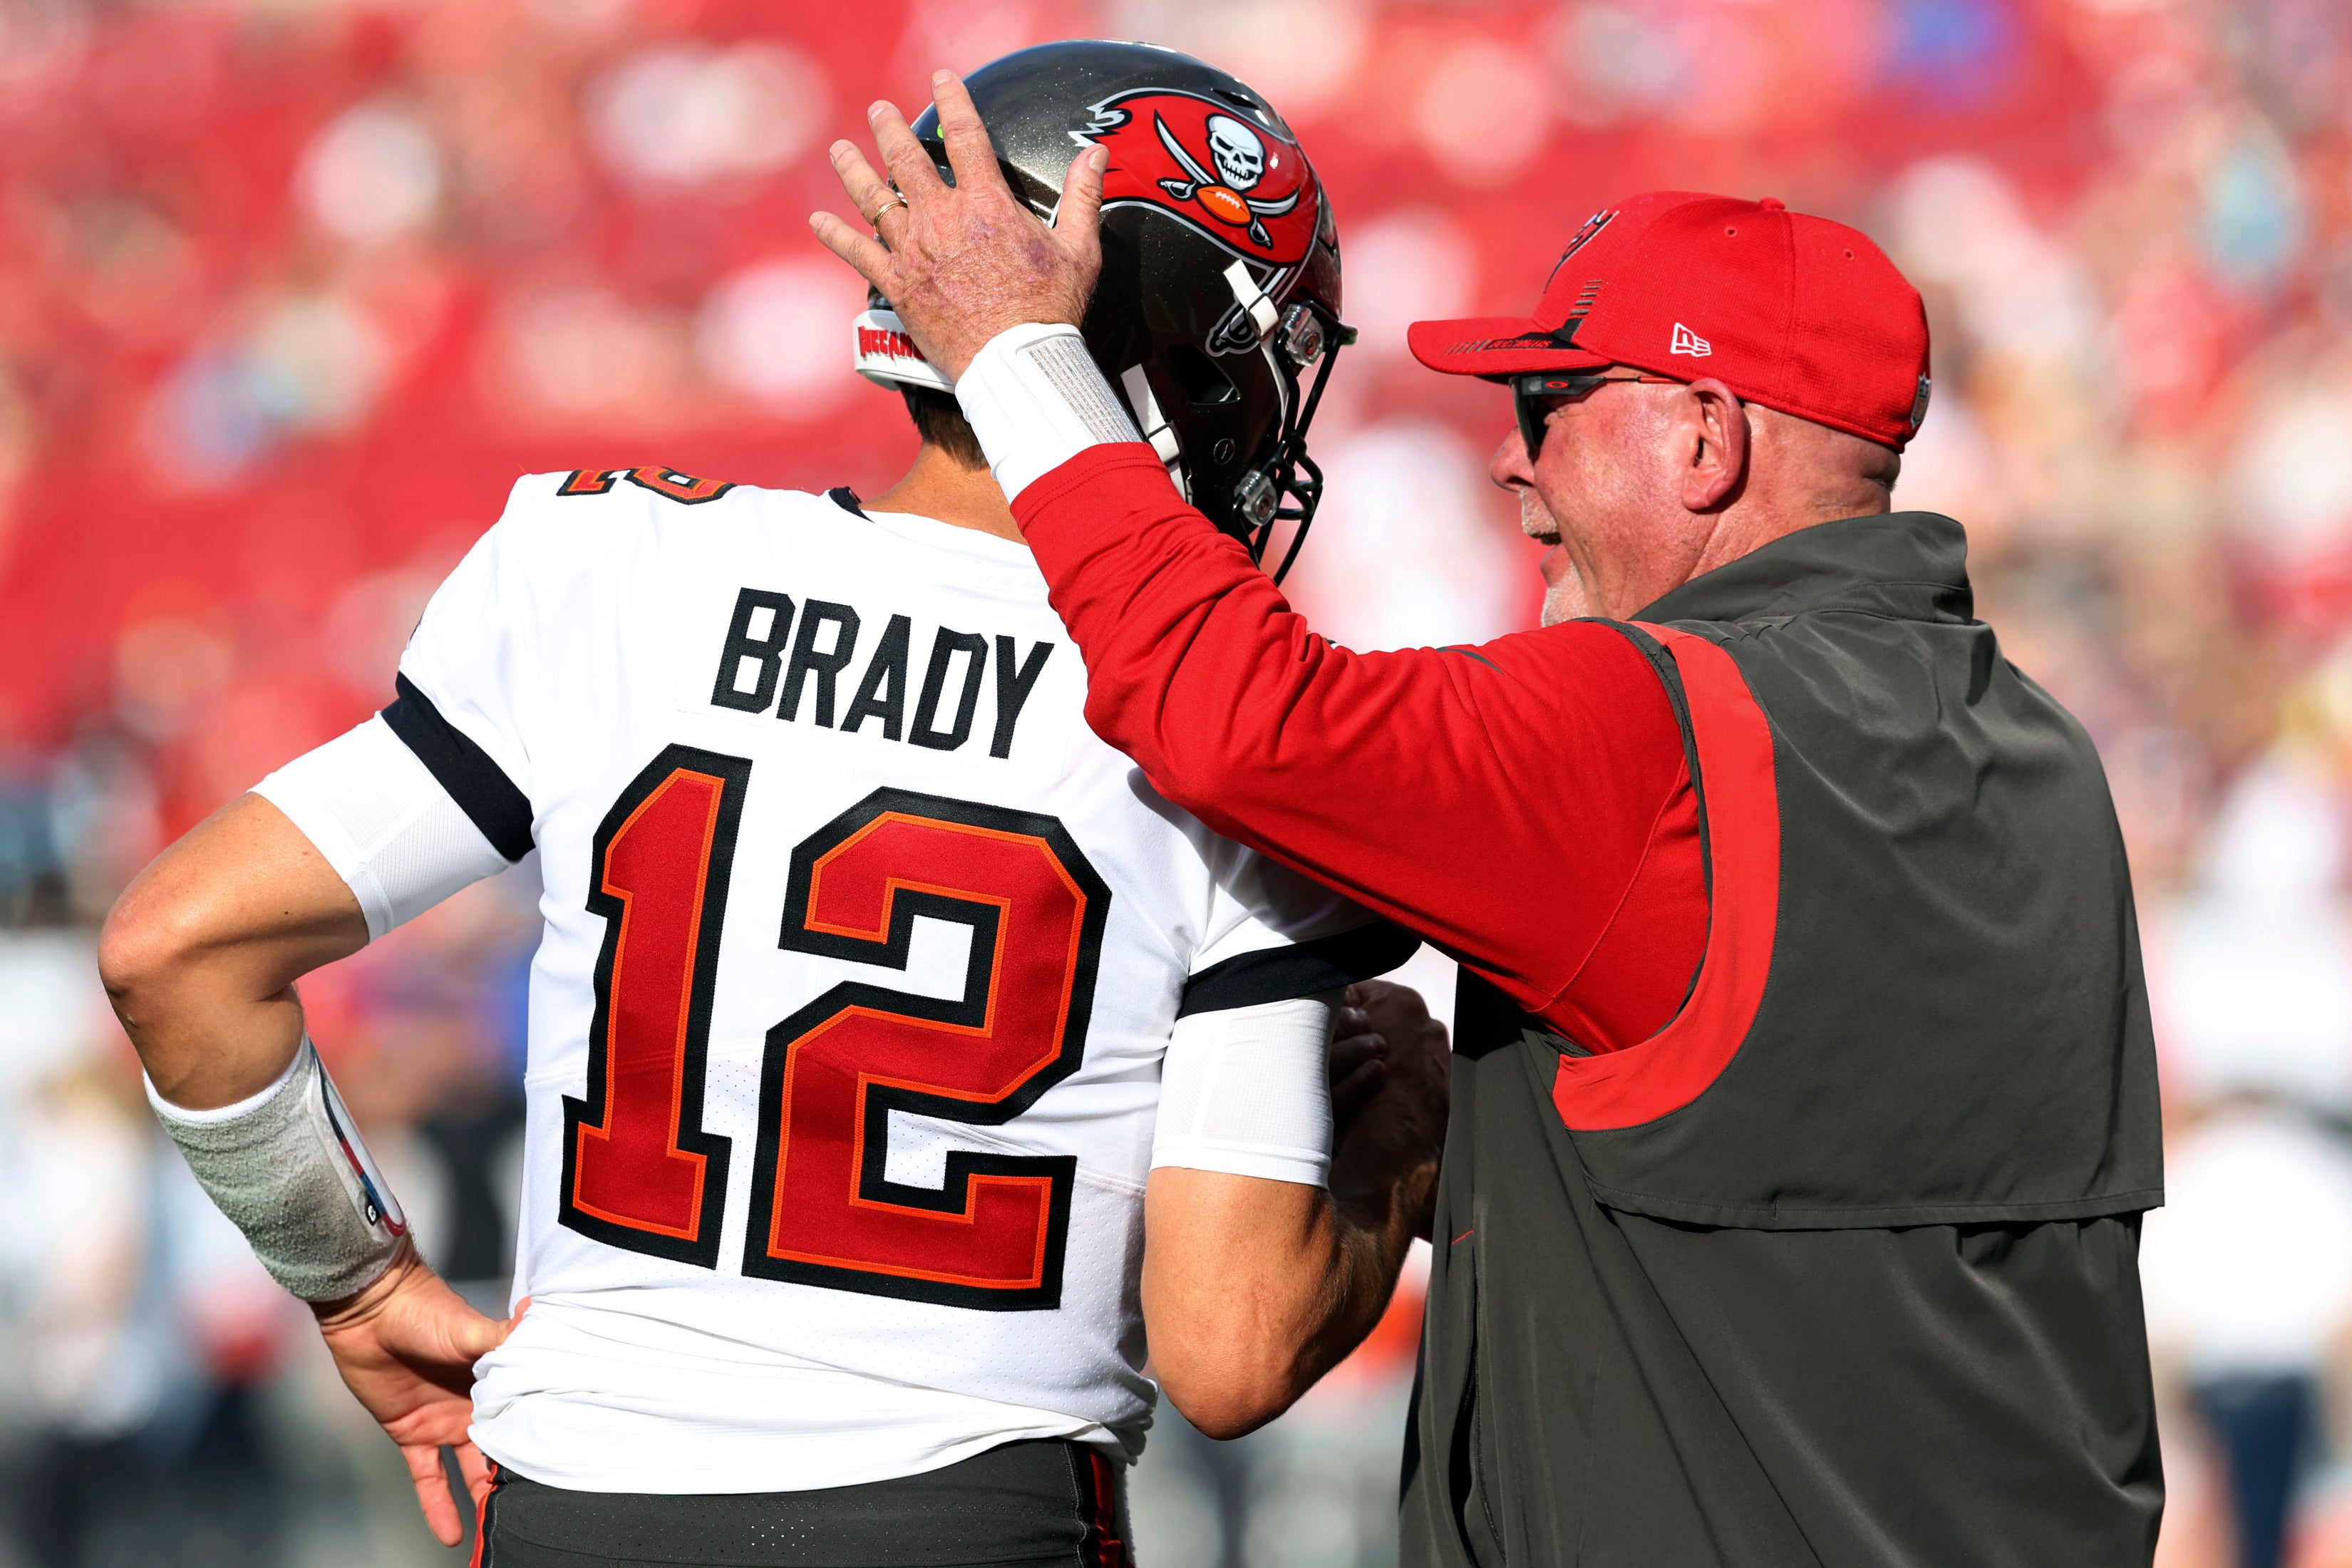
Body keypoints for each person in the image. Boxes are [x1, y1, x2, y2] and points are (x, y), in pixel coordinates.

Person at [96, 41, 1451, 1568]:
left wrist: (347, 1277)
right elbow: (1235, 1345)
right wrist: (1404, 1144)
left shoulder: (608, 568)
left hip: (566, 1510)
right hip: (968, 1513)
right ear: (1173, 345)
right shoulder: (1231, 710)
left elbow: (174, 947)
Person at [813, 76, 2166, 1566]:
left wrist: (1020, 358)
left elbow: (1224, 709)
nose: (1514, 467)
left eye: (1549, 407)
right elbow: (1833, 1190)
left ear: (1704, 439)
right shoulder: (2033, 751)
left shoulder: (1650, 722)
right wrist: (1511, 1138)